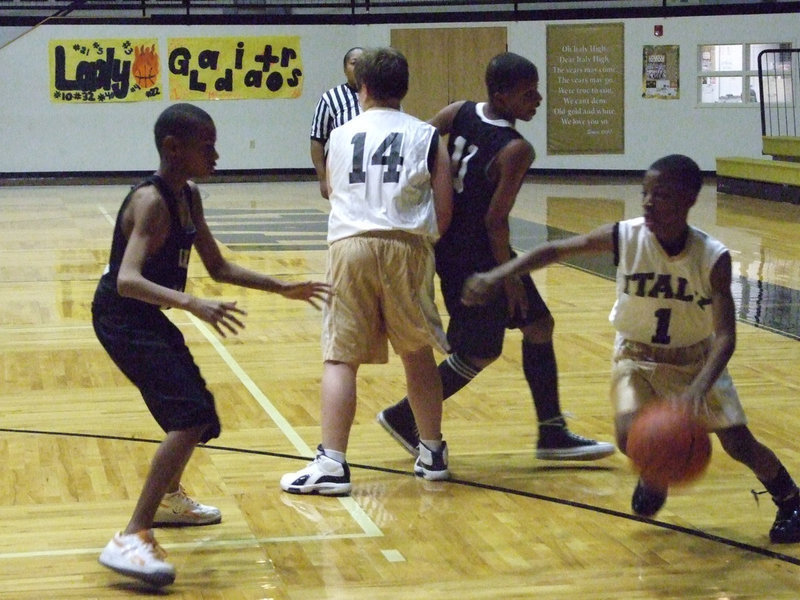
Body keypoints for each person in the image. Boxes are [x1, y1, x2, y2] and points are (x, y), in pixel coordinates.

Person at [461, 153, 800, 542]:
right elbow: (557, 250)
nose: (649, 203)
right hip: (634, 354)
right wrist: (497, 273)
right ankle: (656, 475)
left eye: (662, 195)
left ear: (690, 199)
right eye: (645, 194)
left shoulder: (712, 257)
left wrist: (696, 391)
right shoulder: (626, 236)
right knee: (630, 437)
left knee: (739, 444)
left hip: (695, 360)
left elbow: (725, 338)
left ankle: (790, 497)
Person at [92, 103, 330, 587]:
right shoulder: (152, 203)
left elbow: (218, 266)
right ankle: (133, 533)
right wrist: (191, 303)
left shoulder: (189, 196)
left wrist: (280, 287)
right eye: (208, 146)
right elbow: (126, 280)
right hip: (122, 317)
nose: (217, 154)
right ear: (172, 148)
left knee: (200, 413)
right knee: (188, 416)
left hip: (143, 315)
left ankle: (169, 498)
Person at [377, 52, 615, 462]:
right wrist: (508, 279)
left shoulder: (458, 112)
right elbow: (495, 221)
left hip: (450, 246)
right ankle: (402, 416)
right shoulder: (516, 149)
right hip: (479, 257)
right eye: (529, 93)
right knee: (478, 351)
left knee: (539, 324)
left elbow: (416, 144)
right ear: (502, 95)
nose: (537, 99)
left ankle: (552, 432)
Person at [280, 47, 454, 495]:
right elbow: (445, 210)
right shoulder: (428, 135)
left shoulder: (339, 135)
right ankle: (432, 451)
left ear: (363, 87)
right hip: (407, 246)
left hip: (350, 245)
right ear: (405, 88)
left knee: (341, 357)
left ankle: (332, 462)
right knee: (417, 353)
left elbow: (334, 190)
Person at [309, 46, 364, 199]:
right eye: (354, 63)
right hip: (341, 174)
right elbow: (317, 141)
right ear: (345, 69)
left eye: (364, 63)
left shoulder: (383, 96)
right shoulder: (330, 98)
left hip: (375, 173)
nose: (359, 67)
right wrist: (322, 179)